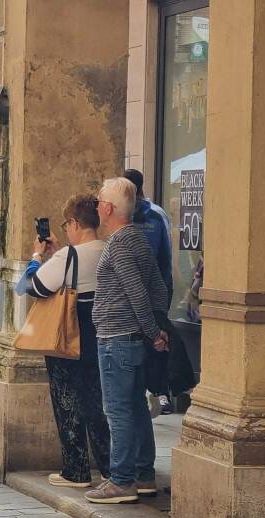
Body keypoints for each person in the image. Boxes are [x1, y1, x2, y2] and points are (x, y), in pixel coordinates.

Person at [13, 194, 110, 486]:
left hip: (69, 334)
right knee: (97, 401)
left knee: (67, 400)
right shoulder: (107, 250)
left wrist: (35, 258)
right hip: (100, 333)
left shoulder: (68, 257)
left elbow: (31, 286)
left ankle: (76, 469)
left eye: (67, 224)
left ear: (74, 223)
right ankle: (109, 467)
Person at [84, 177, 169, 505]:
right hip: (130, 337)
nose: (97, 206)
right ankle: (144, 474)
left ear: (107, 208)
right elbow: (157, 287)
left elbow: (136, 291)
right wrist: (156, 328)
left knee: (117, 409)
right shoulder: (138, 239)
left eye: (99, 201)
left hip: (117, 337)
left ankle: (121, 480)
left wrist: (153, 331)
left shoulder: (119, 243)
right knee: (134, 406)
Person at [123, 168, 176, 415]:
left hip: (148, 295)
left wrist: (162, 299)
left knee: (154, 344)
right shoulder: (130, 215)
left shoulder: (154, 216)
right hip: (137, 296)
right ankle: (152, 393)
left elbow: (165, 260)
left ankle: (159, 392)